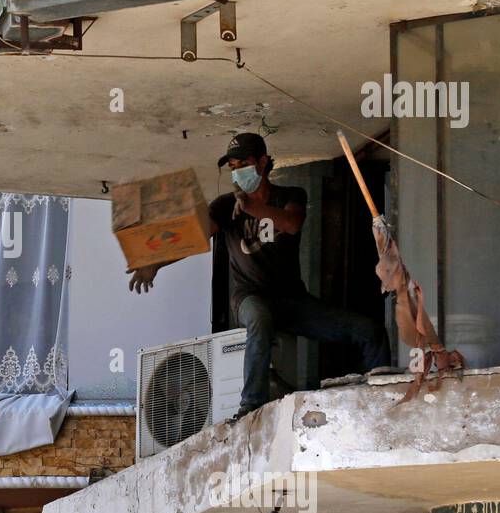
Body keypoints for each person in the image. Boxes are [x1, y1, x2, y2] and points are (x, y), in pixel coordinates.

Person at [128, 133, 392, 420]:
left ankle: (382, 398)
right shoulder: (223, 206)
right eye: (232, 166)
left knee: (369, 331)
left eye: (244, 163)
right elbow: (195, 236)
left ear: (263, 162)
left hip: (292, 301)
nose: (238, 171)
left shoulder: (291, 195)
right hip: (248, 298)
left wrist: (254, 208)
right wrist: (155, 263)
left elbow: (291, 224)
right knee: (260, 316)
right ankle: (251, 407)